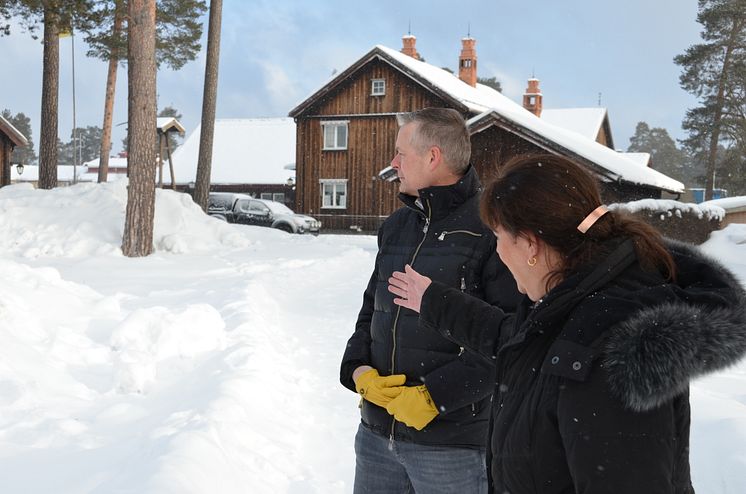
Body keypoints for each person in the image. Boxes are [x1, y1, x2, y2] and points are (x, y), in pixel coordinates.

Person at [388, 153, 746, 493]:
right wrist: (434, 300)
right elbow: (516, 340)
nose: (496, 251)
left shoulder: (609, 352)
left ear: (530, 245)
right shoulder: (574, 307)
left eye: (498, 237)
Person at [340, 108, 521, 493]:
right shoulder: (396, 227)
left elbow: (512, 340)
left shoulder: (493, 230)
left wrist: (434, 397)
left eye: (400, 152)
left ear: (433, 157)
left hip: (451, 447)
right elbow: (371, 310)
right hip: (376, 438)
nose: (393, 163)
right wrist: (357, 371)